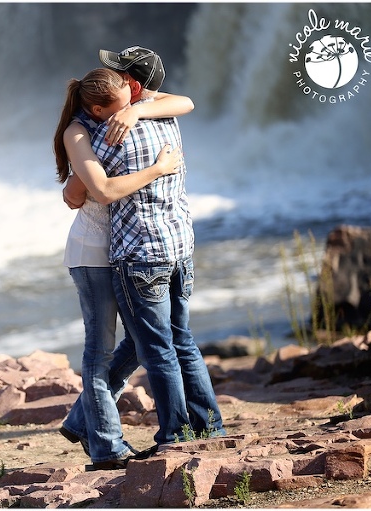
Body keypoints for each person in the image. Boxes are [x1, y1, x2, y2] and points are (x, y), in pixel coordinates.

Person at [52, 67, 193, 470]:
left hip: (125, 252)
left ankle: (82, 421)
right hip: (93, 252)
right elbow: (94, 191)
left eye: (132, 100)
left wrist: (137, 111)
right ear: (97, 109)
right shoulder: (79, 134)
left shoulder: (127, 111)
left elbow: (184, 102)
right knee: (99, 352)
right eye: (120, 107)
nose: (128, 106)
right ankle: (107, 447)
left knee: (139, 342)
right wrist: (157, 169)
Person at [90, 45, 226, 453]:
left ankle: (175, 435)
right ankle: (211, 426)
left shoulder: (106, 132)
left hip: (140, 256)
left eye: (118, 74)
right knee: (182, 338)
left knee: (158, 350)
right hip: (179, 245)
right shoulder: (167, 117)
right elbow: (184, 101)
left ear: (131, 84)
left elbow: (79, 190)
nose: (110, 77)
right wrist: (135, 107)